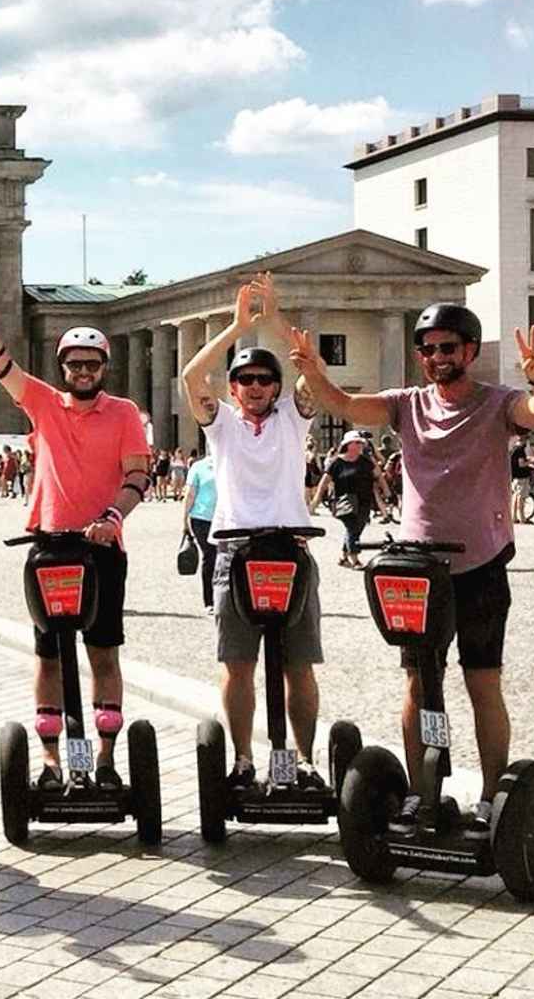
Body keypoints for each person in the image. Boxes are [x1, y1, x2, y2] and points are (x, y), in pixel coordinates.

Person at [293, 304, 534, 832]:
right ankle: (420, 793)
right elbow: (344, 404)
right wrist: (312, 372)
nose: (438, 357)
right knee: (419, 682)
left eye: (448, 347)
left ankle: (491, 797)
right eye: (429, 349)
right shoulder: (406, 405)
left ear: (469, 350)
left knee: (482, 681)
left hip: (481, 563)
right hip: (417, 569)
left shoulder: (498, 403)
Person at [0, 262, 152, 788]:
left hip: (102, 546)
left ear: (104, 367)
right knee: (47, 655)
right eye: (74, 364)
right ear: (62, 367)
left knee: (103, 650)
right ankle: (50, 760)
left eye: (92, 364)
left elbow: (137, 474)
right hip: (50, 544)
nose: (83, 372)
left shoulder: (124, 412)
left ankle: (104, 758)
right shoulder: (43, 402)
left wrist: (113, 517)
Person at [182, 273, 327, 790]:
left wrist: (275, 321)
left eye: (266, 378)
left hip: (290, 549)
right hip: (236, 551)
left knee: (298, 665)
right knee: (238, 663)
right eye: (246, 379)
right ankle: (243, 760)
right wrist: (238, 327)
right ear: (233, 387)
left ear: (277, 386)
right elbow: (191, 377)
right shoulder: (221, 423)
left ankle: (304, 761)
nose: (257, 386)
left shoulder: (293, 417)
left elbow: (314, 372)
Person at [315, 431, 381, 569]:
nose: (360, 445)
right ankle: (354, 558)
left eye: (361, 443)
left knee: (357, 527)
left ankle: (343, 556)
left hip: (364, 500)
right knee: (352, 527)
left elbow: (378, 476)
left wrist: (386, 492)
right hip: (344, 501)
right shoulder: (337, 462)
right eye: (357, 442)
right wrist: (316, 500)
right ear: (348, 445)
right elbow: (324, 481)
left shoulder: (366, 461)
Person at [181, 445, 218, 609]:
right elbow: (189, 494)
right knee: (210, 556)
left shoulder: (230, 463)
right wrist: (184, 520)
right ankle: (209, 600)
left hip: (224, 518)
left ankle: (224, 597)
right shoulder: (198, 467)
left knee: (224, 558)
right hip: (201, 518)